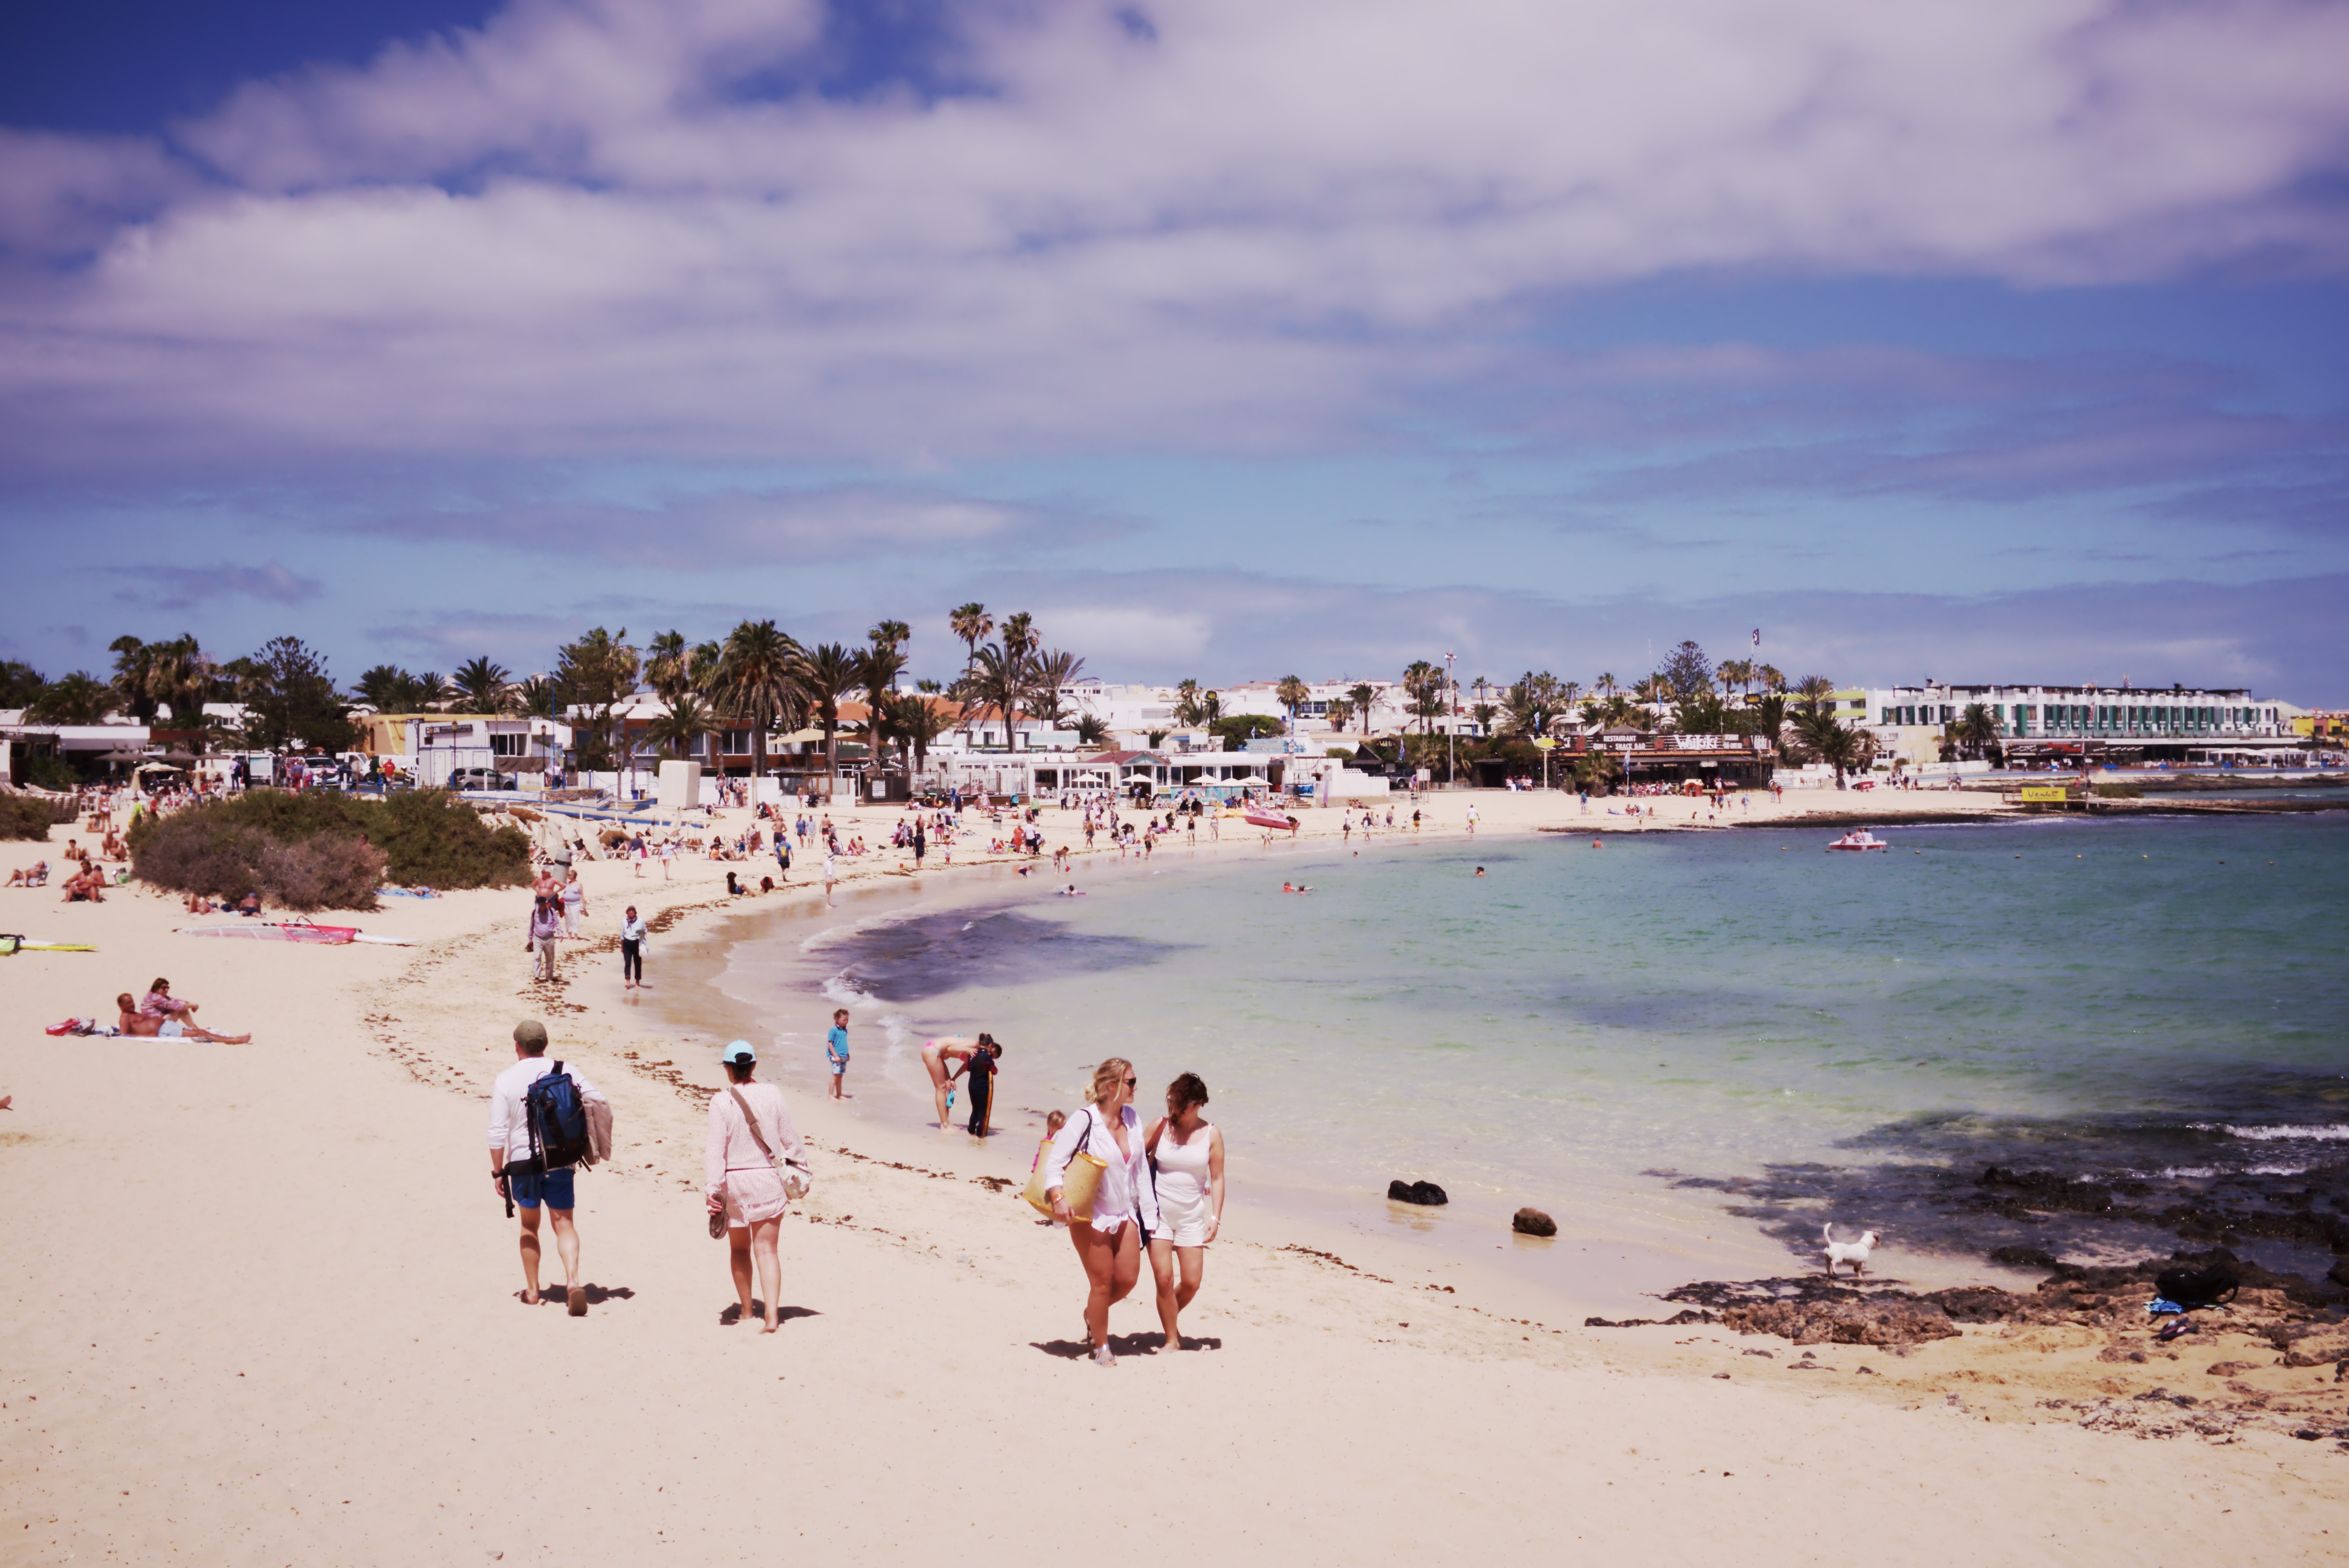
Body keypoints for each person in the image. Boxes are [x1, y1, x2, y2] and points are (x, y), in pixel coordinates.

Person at [1041, 1057, 1159, 1366]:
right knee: (1102, 1282)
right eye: (1131, 1082)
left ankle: (1092, 1314)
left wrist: (1150, 1215)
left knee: (1129, 1278)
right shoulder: (1084, 1120)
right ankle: (1102, 1345)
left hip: (1124, 1212)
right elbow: (1054, 1163)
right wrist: (1058, 1197)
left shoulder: (1132, 1118)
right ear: (1112, 1087)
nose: (1136, 1087)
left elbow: (1141, 1172)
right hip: (1089, 1213)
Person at [488, 1019, 608, 1314]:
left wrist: (497, 1171)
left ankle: (532, 1291)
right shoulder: (565, 1070)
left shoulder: (505, 1079)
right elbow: (598, 1101)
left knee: (530, 1226)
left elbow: (496, 1131)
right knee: (564, 1224)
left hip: (522, 1166)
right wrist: (595, 1143)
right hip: (559, 1161)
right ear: (545, 1044)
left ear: (517, 1046)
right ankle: (573, 1282)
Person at [704, 1041, 806, 1333]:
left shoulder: (721, 1101)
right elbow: (791, 1139)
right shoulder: (772, 1094)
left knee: (739, 1251)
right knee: (768, 1252)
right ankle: (772, 1317)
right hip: (767, 1182)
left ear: (727, 1069)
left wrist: (713, 1190)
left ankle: (748, 1311)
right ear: (754, 1067)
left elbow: (715, 1151)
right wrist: (802, 1170)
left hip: (735, 1183)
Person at [1145, 1073, 1225, 1351]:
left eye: (1180, 1101)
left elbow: (1217, 1177)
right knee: (1164, 1279)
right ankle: (1171, 1339)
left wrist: (1216, 1217)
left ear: (1196, 1103)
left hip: (1193, 1216)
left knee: (1191, 1283)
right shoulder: (1161, 1126)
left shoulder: (1211, 1134)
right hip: (1158, 1216)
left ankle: (1168, 1315)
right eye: (1172, 1100)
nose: (1174, 1106)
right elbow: (1133, 1160)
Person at [114, 991, 249, 1042]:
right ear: (121, 1006)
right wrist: (148, 1036)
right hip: (163, 1031)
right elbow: (124, 1036)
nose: (132, 1004)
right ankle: (232, 1040)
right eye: (129, 1003)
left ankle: (231, 1039)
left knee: (199, 1032)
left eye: (132, 1001)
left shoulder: (132, 1014)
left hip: (166, 1026)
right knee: (200, 1033)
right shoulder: (125, 1017)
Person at [920, 1034, 990, 1130]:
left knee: (948, 1085)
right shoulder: (974, 1044)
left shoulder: (978, 1054)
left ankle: (946, 1122)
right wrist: (966, 1050)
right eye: (992, 1054)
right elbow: (950, 1049)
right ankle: (945, 1125)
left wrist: (954, 1078)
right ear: (990, 1046)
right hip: (932, 1050)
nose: (990, 1057)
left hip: (935, 1052)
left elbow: (967, 1065)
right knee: (941, 1088)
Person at [947, 1036, 1002, 1135]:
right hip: (982, 1087)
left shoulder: (971, 1055)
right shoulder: (987, 1058)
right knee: (982, 1110)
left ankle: (971, 1130)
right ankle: (980, 1133)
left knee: (975, 1109)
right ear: (990, 1046)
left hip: (972, 1085)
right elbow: (995, 1071)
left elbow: (968, 1067)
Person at [528, 895, 562, 984]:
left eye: (543, 904)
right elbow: (531, 927)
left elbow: (557, 923)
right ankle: (537, 977)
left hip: (550, 939)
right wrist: (530, 939)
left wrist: (560, 933)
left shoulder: (552, 911)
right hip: (538, 939)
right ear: (537, 904)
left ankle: (549, 978)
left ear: (546, 904)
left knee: (550, 959)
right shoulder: (534, 913)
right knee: (537, 957)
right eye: (540, 905)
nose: (542, 906)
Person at [619, 905, 647, 990]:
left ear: (635, 912)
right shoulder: (624, 922)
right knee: (628, 963)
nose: (631, 912)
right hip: (627, 944)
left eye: (633, 911)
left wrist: (641, 934)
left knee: (638, 963)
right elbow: (622, 935)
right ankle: (628, 981)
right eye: (630, 910)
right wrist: (622, 946)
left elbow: (645, 930)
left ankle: (637, 981)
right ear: (627, 912)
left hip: (637, 943)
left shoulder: (640, 921)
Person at [825, 1007, 851, 1099]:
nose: (846, 1022)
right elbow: (830, 1044)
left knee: (840, 1076)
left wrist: (847, 1054)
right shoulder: (834, 1030)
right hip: (836, 1057)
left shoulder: (845, 1030)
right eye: (844, 1020)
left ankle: (839, 1094)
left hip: (844, 1056)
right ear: (837, 1019)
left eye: (847, 1020)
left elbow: (844, 1043)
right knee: (835, 1076)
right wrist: (835, 1056)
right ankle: (831, 1095)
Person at [561, 868, 585, 937]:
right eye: (568, 875)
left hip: (575, 904)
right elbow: (565, 892)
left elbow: (581, 895)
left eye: (570, 875)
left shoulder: (579, 884)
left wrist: (584, 906)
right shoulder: (567, 883)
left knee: (575, 919)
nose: (568, 876)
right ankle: (570, 935)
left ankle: (576, 936)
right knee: (568, 919)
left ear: (574, 876)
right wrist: (561, 900)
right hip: (566, 904)